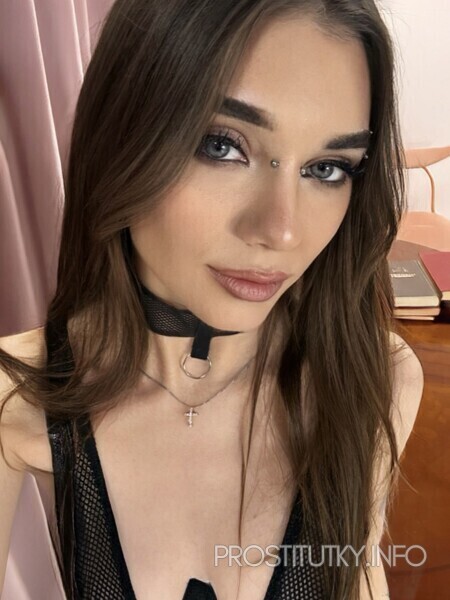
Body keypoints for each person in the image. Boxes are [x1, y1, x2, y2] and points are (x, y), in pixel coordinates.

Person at [0, 0, 424, 598]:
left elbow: (357, 574)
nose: (281, 231)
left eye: (328, 168)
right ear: (123, 136)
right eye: (222, 145)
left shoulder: (376, 375)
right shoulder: (14, 396)